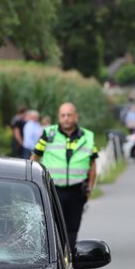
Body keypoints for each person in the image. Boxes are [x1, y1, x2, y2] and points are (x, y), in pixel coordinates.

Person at [31, 103, 97, 250]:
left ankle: (70, 257)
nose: (66, 118)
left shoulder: (88, 136)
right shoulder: (49, 133)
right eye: (63, 115)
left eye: (69, 115)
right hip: (53, 190)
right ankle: (56, 257)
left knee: (73, 227)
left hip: (77, 190)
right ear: (59, 117)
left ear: (76, 117)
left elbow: (92, 164)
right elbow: (35, 157)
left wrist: (90, 187)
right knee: (53, 227)